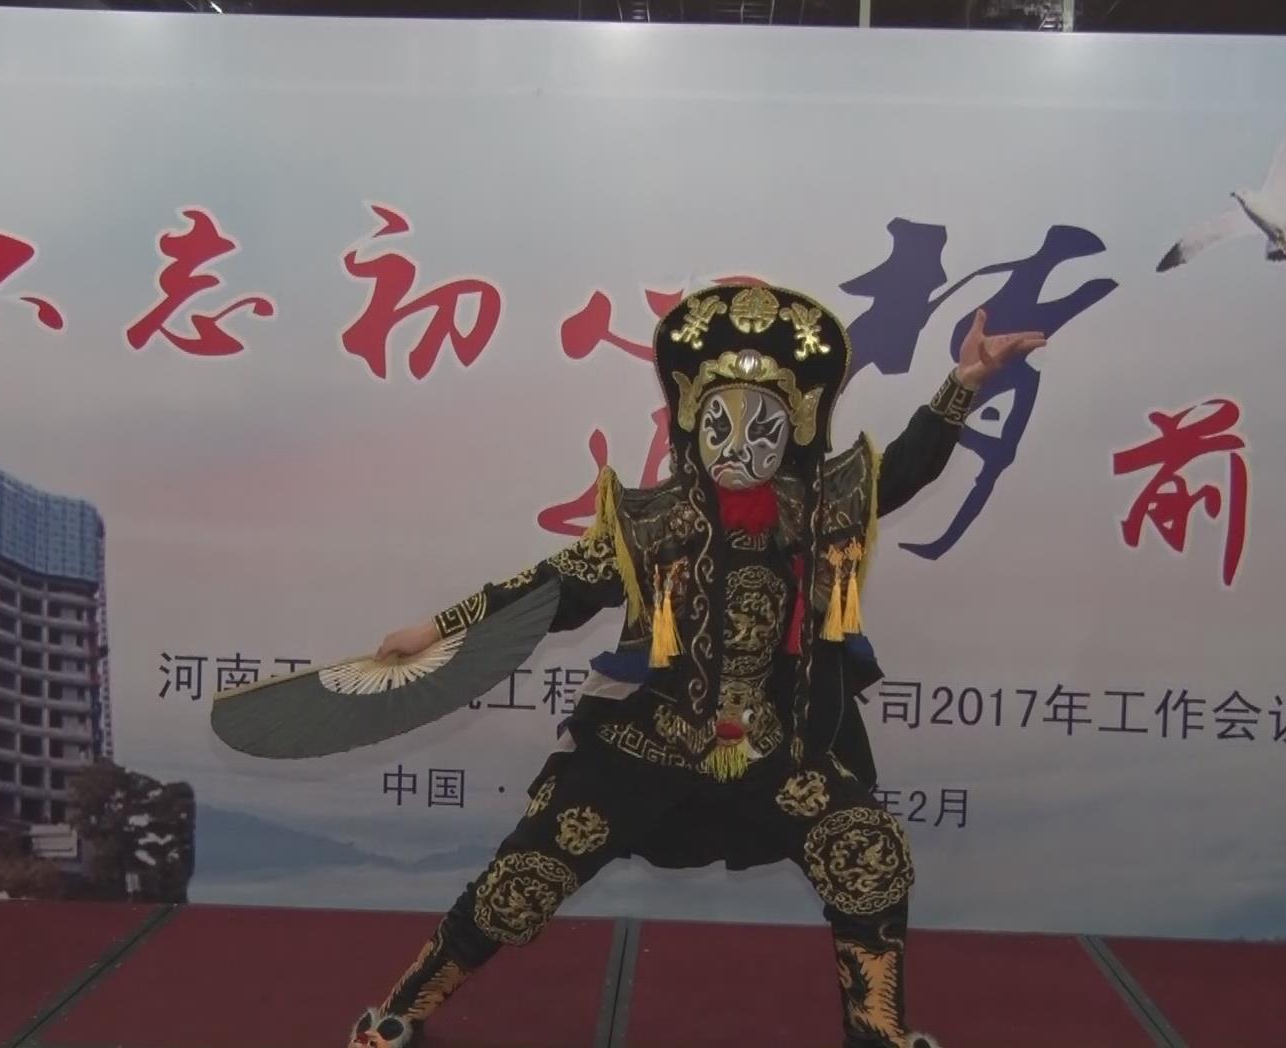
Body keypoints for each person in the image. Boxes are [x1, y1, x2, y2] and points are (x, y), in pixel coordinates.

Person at [349, 283, 1044, 1048]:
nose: (738, 444)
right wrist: (436, 629)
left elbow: (902, 468)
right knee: (527, 873)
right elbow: (550, 591)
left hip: (775, 747)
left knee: (866, 847)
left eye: (761, 424)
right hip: (647, 745)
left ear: (795, 427)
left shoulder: (816, 507)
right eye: (721, 423)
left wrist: (964, 383)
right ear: (694, 423)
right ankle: (401, 1010)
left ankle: (877, 1030)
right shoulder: (651, 521)